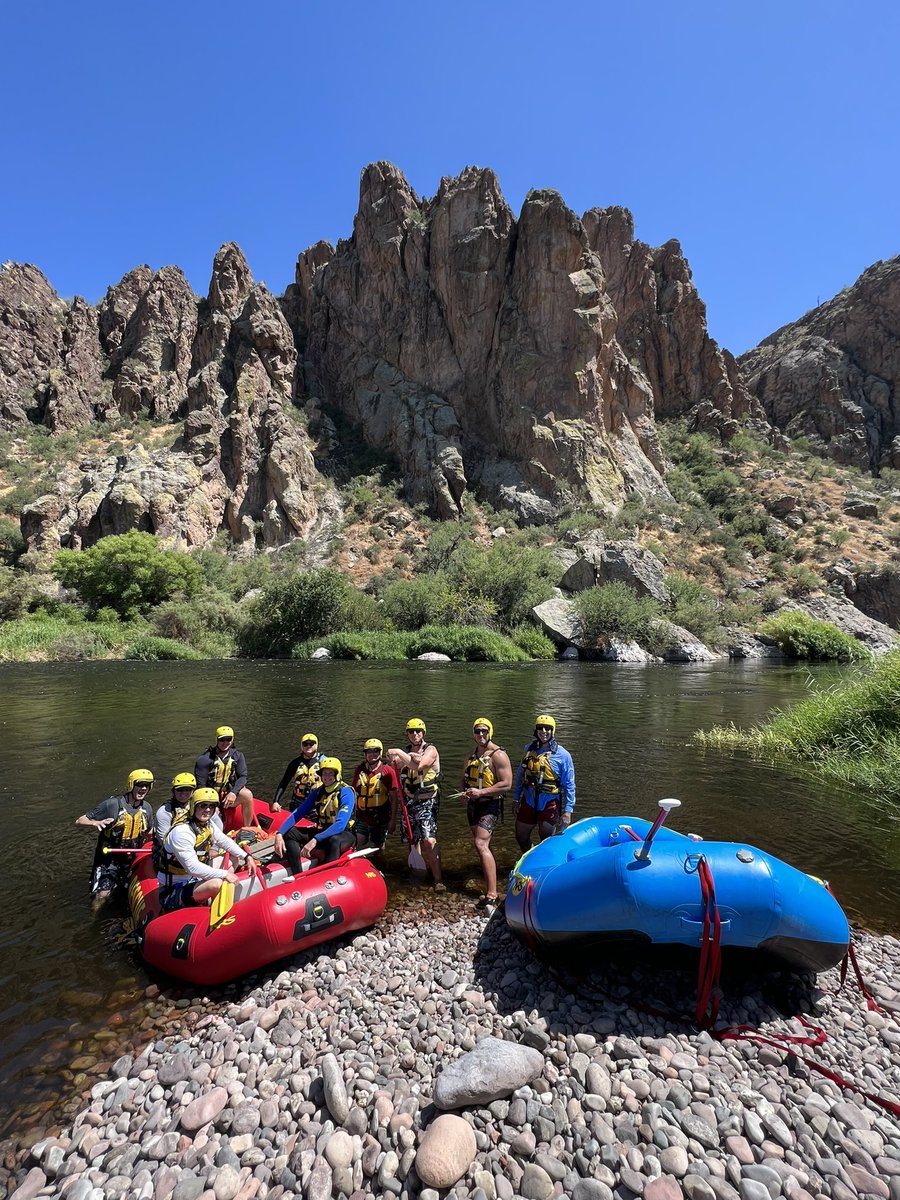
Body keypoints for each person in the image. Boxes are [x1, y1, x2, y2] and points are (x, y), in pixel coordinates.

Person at [157, 787, 251, 912]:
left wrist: (246, 857)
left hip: (195, 878)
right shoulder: (182, 832)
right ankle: (212, 909)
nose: (207, 810)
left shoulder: (207, 824)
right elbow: (193, 868)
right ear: (193, 806)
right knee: (216, 883)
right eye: (203, 806)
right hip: (173, 888)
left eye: (211, 806)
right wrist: (224, 874)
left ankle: (211, 899)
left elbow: (224, 841)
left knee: (234, 858)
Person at [76, 768, 156, 906]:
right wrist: (95, 822)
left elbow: (149, 831)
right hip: (108, 859)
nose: (143, 788)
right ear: (131, 785)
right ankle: (95, 917)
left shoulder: (146, 808)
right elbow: (79, 820)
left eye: (146, 786)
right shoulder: (112, 805)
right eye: (140, 785)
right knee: (103, 895)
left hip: (130, 859)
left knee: (124, 894)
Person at [387, 717, 445, 891]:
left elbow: (419, 765)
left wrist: (397, 751)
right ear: (407, 734)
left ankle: (438, 879)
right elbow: (395, 766)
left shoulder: (431, 750)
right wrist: (392, 759)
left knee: (429, 840)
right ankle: (418, 874)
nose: (415, 734)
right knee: (413, 841)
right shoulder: (405, 753)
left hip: (427, 801)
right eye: (411, 731)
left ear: (423, 733)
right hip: (409, 802)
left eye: (418, 731)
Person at [462, 717, 512, 909]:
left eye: (484, 731)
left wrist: (481, 792)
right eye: (477, 731)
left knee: (480, 843)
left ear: (490, 732)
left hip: (490, 805)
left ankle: (492, 893)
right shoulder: (471, 755)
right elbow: (463, 779)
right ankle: (487, 884)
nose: (481, 735)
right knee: (480, 847)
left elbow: (506, 784)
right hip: (473, 804)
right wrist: (464, 793)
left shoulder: (498, 755)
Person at [273, 757, 357, 871]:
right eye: (324, 773)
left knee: (335, 840)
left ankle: (329, 874)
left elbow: (340, 824)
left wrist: (315, 840)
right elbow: (298, 813)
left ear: (337, 774)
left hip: (344, 834)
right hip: (324, 832)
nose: (326, 776)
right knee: (290, 833)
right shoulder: (318, 792)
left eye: (330, 773)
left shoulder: (346, 792)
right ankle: (297, 874)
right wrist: (279, 833)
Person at [513, 713, 576, 852]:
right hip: (528, 799)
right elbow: (520, 775)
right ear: (536, 731)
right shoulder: (528, 749)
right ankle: (529, 857)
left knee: (546, 838)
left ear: (553, 731)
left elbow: (569, 785)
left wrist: (568, 811)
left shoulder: (563, 755)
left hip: (549, 802)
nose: (544, 732)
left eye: (548, 729)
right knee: (521, 836)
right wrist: (516, 798)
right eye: (540, 728)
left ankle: (546, 865)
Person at [194, 725, 254, 828]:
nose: (225, 743)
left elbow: (243, 777)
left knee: (247, 794)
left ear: (232, 740)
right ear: (216, 740)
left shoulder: (237, 756)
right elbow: (201, 786)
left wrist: (233, 792)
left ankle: (247, 829)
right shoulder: (205, 759)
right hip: (210, 796)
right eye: (221, 740)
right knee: (214, 815)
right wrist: (212, 804)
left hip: (227, 796)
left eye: (228, 739)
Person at [351, 738, 400, 850]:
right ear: (365, 754)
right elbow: (353, 792)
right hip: (362, 816)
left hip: (380, 818)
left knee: (378, 847)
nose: (372, 754)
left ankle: (379, 863)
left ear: (380, 753)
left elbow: (394, 798)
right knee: (355, 843)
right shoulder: (359, 770)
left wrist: (392, 820)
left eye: (375, 751)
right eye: (369, 751)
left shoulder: (388, 771)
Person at [272, 733, 324, 812]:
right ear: (302, 747)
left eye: (311, 744)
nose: (308, 746)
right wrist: (276, 801)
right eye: (305, 744)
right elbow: (284, 783)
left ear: (316, 745)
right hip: (298, 803)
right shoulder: (295, 763)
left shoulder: (324, 762)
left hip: (317, 804)